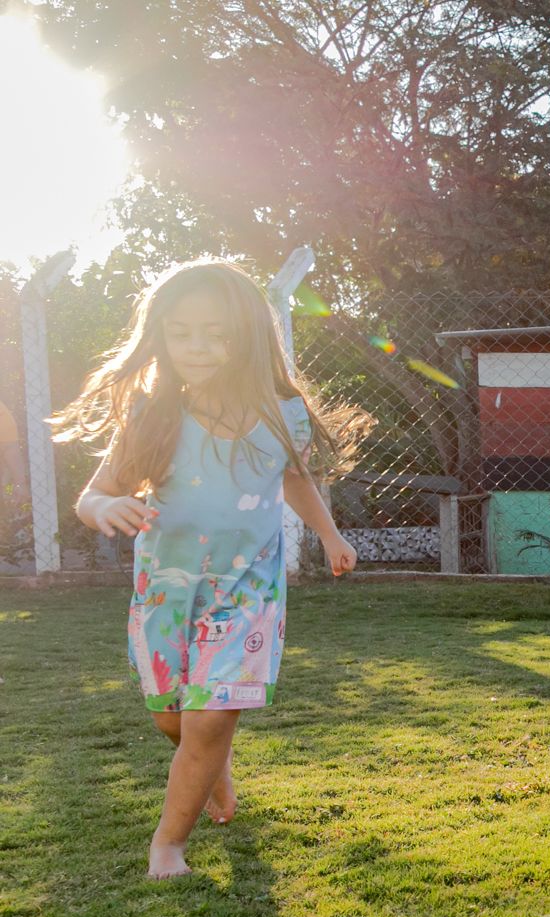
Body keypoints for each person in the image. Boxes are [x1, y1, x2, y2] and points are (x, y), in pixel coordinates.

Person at [57, 260, 369, 878]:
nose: (197, 348)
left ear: (249, 335)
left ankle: (167, 844)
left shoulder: (284, 411)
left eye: (217, 333)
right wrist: (105, 507)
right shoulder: (154, 412)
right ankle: (213, 770)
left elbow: (295, 479)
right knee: (172, 719)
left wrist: (330, 534)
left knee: (208, 716)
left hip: (247, 590)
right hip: (167, 592)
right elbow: (92, 495)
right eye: (181, 332)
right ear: (161, 337)